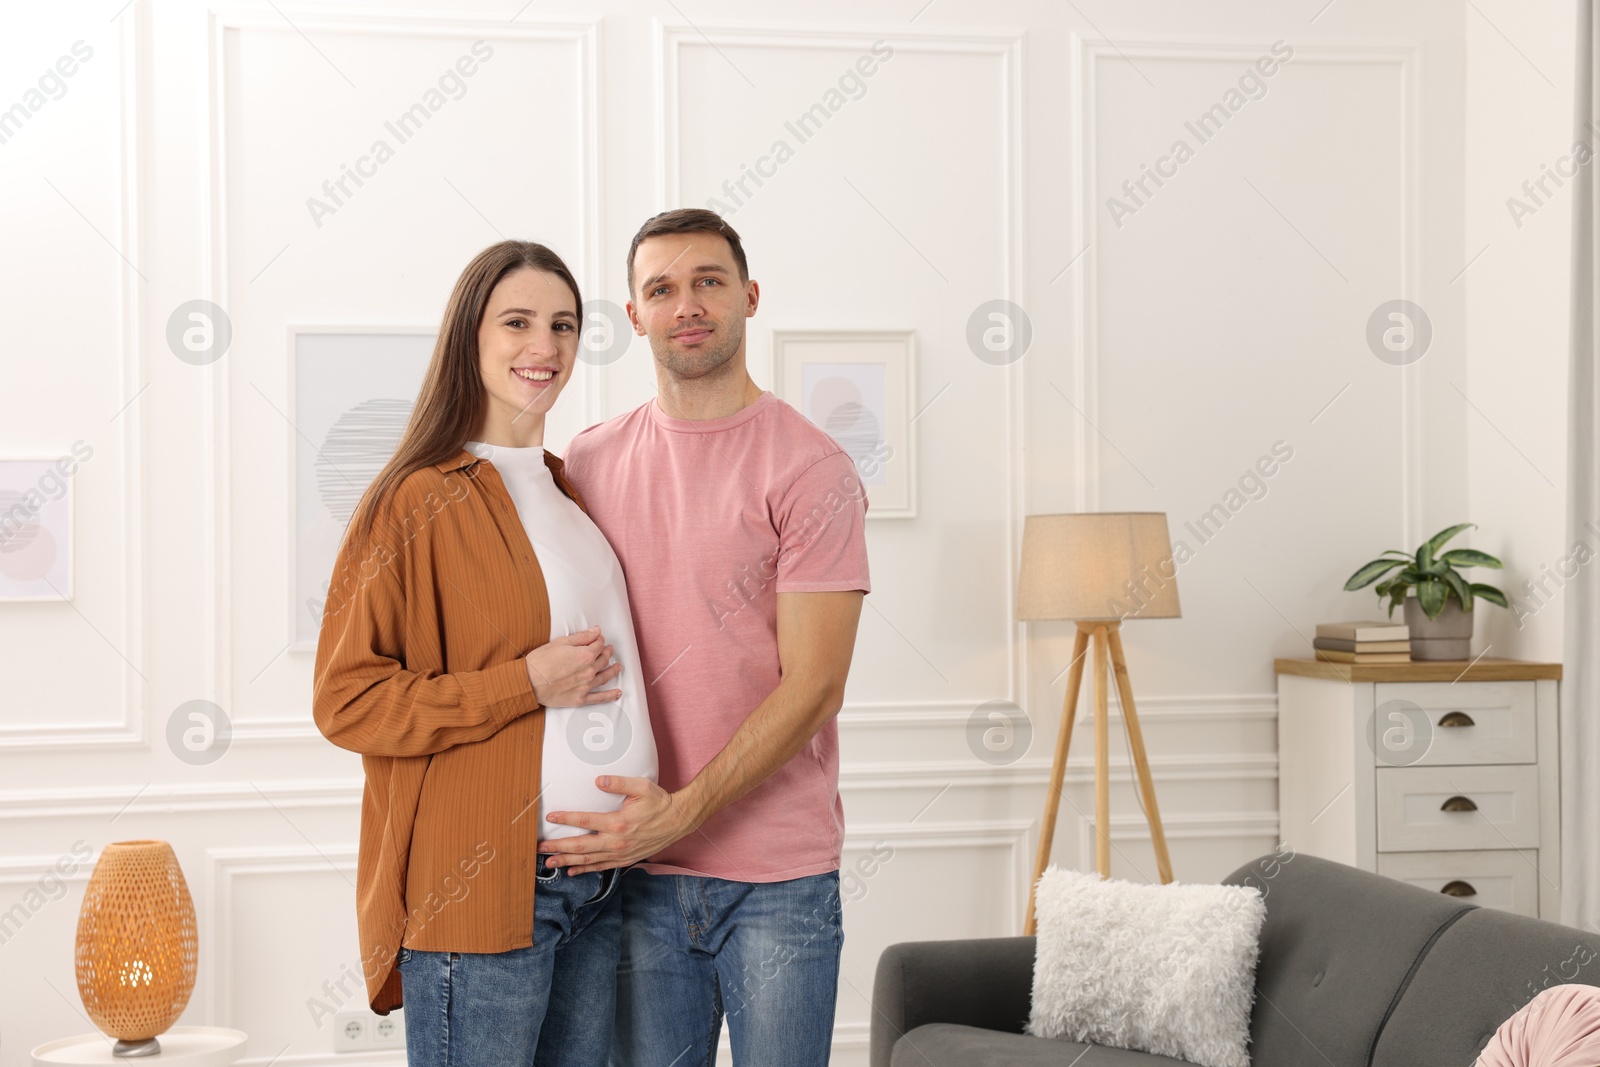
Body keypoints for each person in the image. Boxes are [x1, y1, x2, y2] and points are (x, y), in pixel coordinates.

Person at [537, 208, 871, 1066]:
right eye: (662, 288)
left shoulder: (811, 467)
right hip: (632, 875)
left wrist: (680, 813)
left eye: (708, 282)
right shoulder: (589, 461)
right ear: (633, 315)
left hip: (779, 880)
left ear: (750, 297)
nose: (687, 304)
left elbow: (816, 685)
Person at [311, 239, 657, 1067]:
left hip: (599, 883)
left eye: (564, 325)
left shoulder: (567, 486)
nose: (545, 346)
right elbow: (347, 700)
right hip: (484, 888)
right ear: (470, 335)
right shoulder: (412, 498)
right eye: (519, 322)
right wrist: (522, 683)